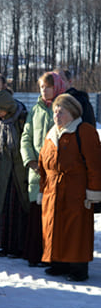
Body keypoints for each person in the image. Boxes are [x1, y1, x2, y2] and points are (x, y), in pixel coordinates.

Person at [39, 94, 101, 281]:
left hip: (76, 190)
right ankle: (58, 262)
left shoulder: (84, 131)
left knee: (75, 230)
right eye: (55, 111)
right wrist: (42, 189)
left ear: (73, 113)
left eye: (62, 111)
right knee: (55, 227)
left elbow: (95, 164)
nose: (57, 115)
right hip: (52, 190)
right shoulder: (51, 133)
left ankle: (78, 268)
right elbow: (43, 165)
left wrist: (93, 191)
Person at [20, 71, 66, 264]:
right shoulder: (36, 109)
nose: (44, 90)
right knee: (36, 215)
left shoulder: (64, 107)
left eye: (47, 86)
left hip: (56, 172)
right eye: (41, 87)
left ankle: (52, 257)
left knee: (53, 215)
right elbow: (26, 136)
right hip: (36, 172)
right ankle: (35, 254)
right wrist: (30, 160)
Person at [0, 90, 29, 260]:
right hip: (5, 171)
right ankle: (5, 245)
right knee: (4, 208)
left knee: (21, 208)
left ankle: (20, 246)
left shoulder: (22, 117)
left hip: (21, 170)